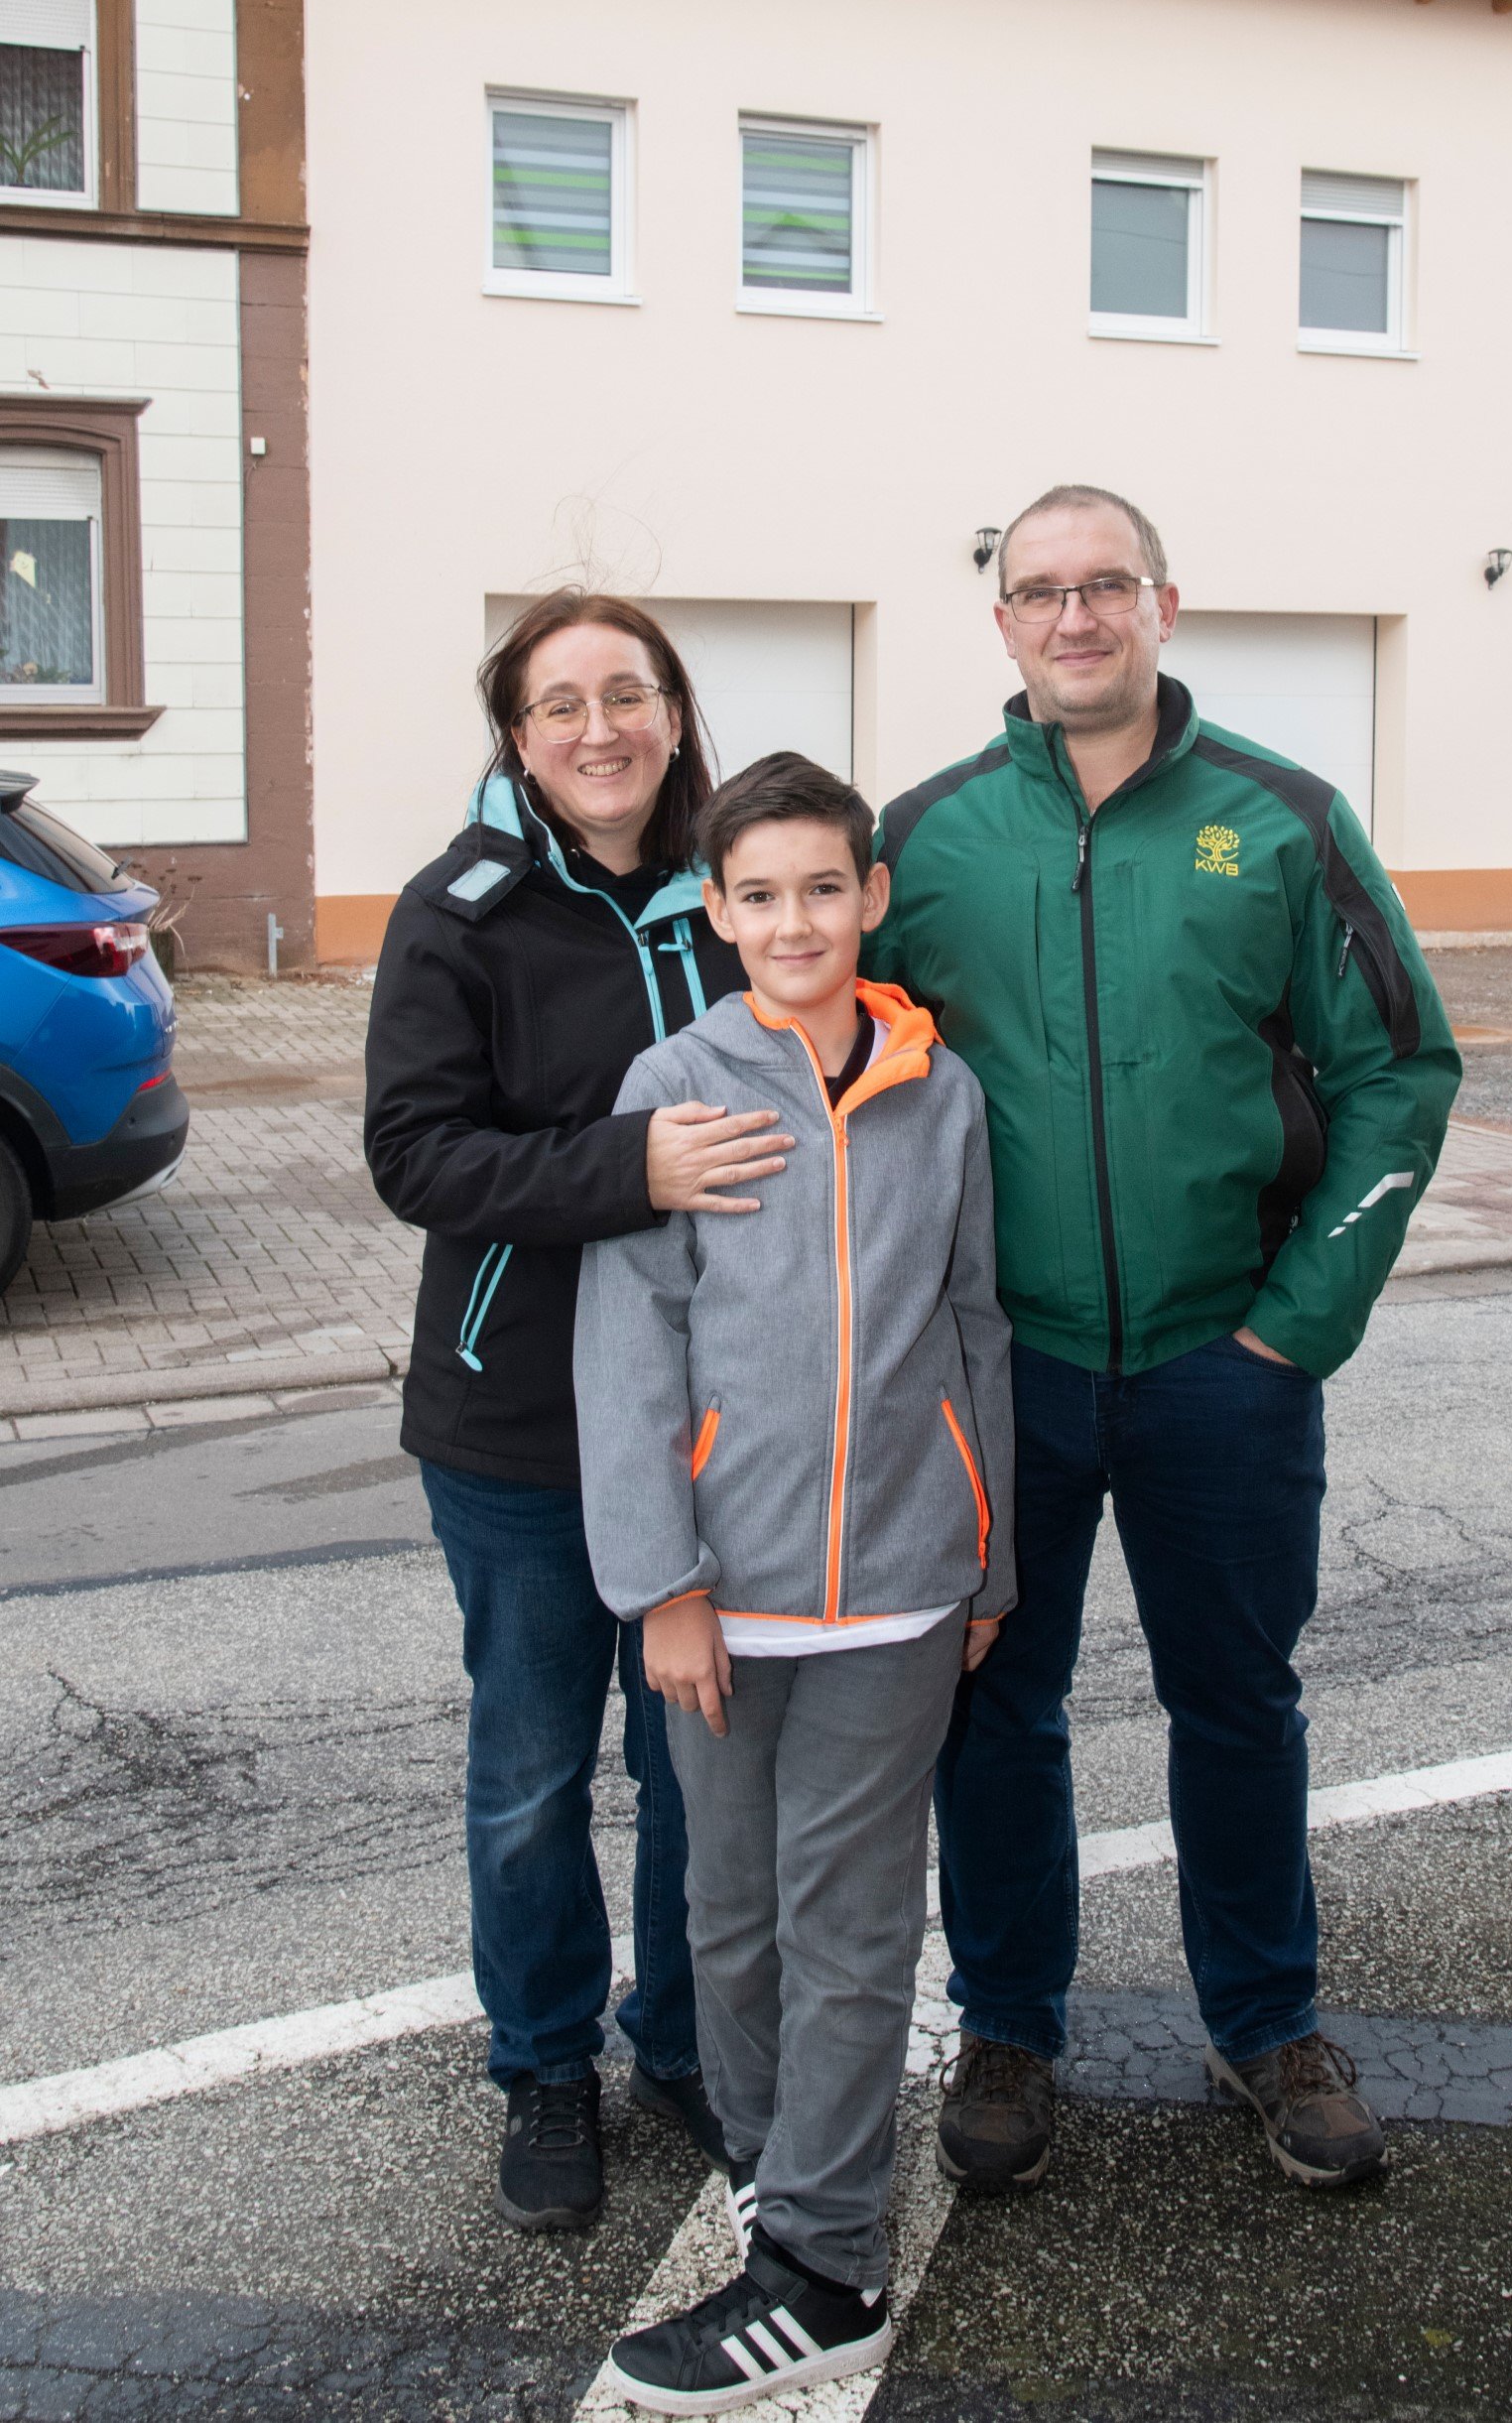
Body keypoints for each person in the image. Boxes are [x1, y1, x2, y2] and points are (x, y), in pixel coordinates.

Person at [865, 484, 1462, 2197]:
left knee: (1239, 1702)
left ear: (1163, 605)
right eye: (1040, 590)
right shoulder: (928, 839)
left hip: (1225, 1364)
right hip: (1009, 1372)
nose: (1075, 616)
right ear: (1003, 623)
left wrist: (1298, 1323)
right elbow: (835, 1062)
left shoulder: (1285, 820)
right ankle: (1009, 2025)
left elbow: (1398, 1071)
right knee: (997, 1707)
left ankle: (1265, 2021)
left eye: (1104, 584)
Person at [573, 751, 1014, 2412]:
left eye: (824, 886)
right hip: (726, 1589)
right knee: (729, 1912)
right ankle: (778, 2176)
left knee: (848, 1919)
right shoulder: (675, 1084)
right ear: (716, 908)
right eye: (759, 893)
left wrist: (989, 1555)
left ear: (871, 894)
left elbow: (973, 1326)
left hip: (901, 1587)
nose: (795, 919)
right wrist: (662, 1584)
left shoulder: (939, 1089)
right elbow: (630, 1344)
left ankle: (827, 2270)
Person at [365, 591, 798, 2232]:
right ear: (520, 735)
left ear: (674, 714)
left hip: (719, 1424)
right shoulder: (457, 913)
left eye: (629, 693)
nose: (600, 727)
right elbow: (416, 1153)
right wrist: (629, 1165)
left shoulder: (741, 892)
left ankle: (681, 2038)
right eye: (563, 703)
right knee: (534, 1773)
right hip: (522, 1431)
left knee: (700, 1765)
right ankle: (545, 2060)